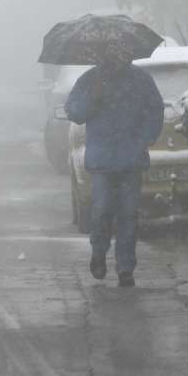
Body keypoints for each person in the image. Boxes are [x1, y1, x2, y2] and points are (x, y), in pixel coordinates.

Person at [64, 56, 164, 287]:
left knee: (128, 215)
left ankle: (125, 268)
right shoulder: (90, 79)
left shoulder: (140, 79)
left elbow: (155, 110)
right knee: (101, 211)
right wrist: (94, 95)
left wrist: (145, 139)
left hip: (131, 159)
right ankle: (99, 253)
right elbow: (75, 112)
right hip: (102, 162)